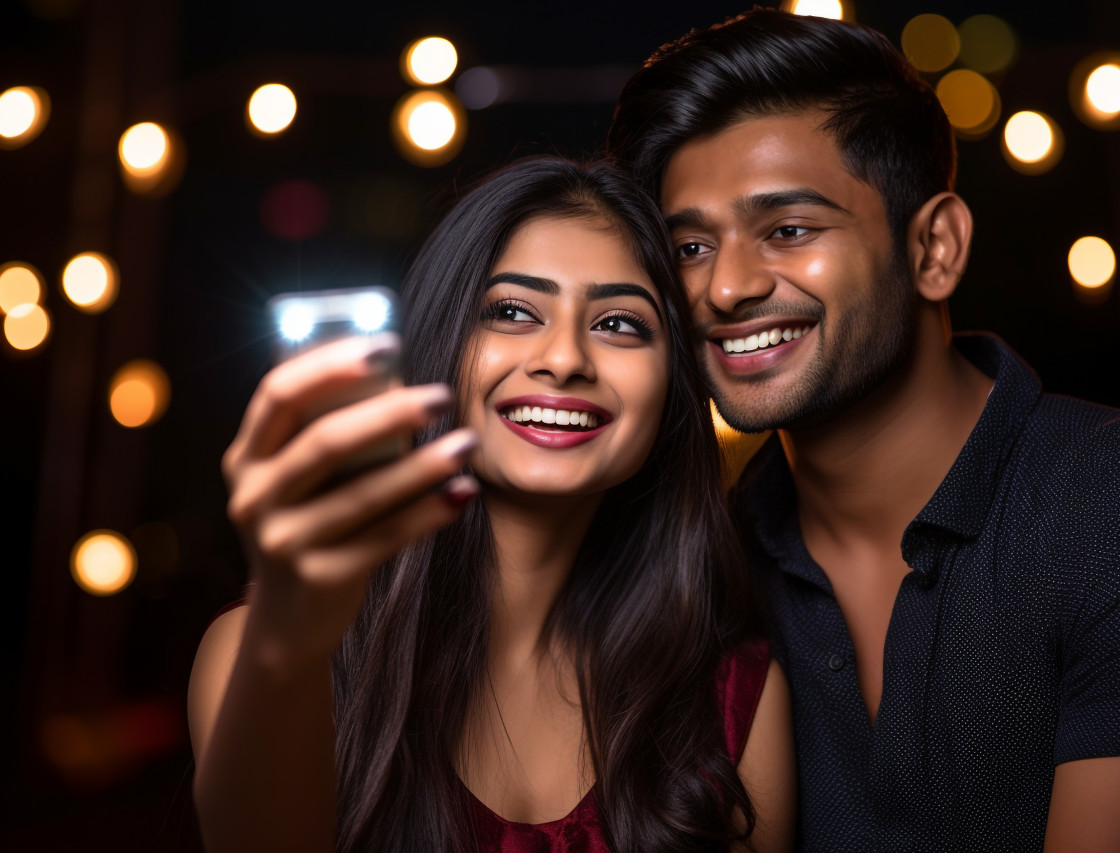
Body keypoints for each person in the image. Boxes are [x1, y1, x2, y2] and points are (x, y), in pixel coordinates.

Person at [607, 8, 1120, 851]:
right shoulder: (702, 564)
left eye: (788, 230)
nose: (726, 287)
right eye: (691, 247)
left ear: (934, 247)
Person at [187, 158, 796, 853]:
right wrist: (287, 642)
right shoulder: (262, 656)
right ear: (441, 348)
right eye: (511, 311)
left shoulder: (733, 703)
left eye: (620, 324)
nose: (564, 358)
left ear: (674, 390)